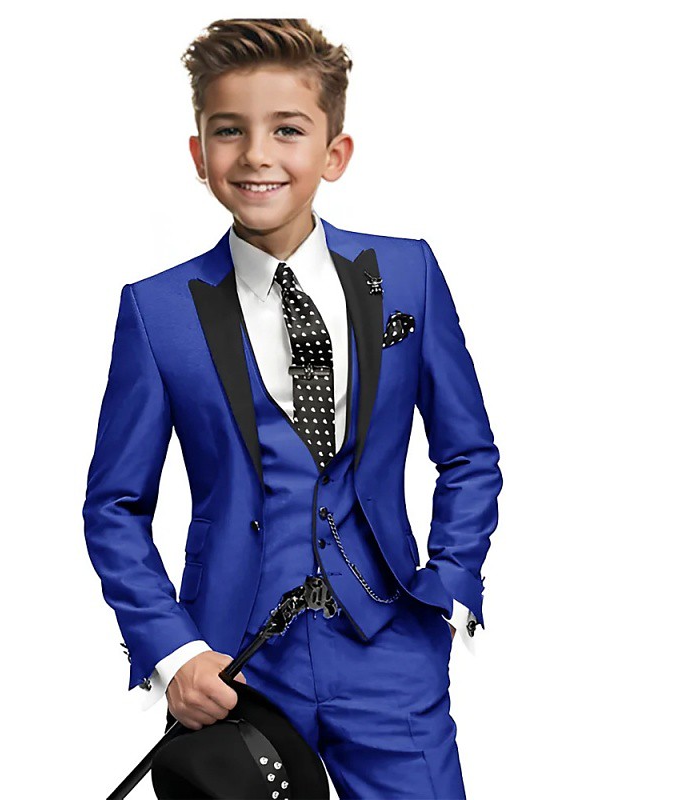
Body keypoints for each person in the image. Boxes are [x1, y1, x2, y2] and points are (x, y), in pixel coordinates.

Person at [83, 18, 502, 798]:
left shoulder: (407, 274)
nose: (256, 154)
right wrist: (175, 653)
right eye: (229, 131)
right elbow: (114, 505)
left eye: (287, 129)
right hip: (231, 663)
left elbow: (468, 453)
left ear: (334, 153)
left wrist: (450, 588)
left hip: (387, 641)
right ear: (199, 154)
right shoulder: (157, 310)